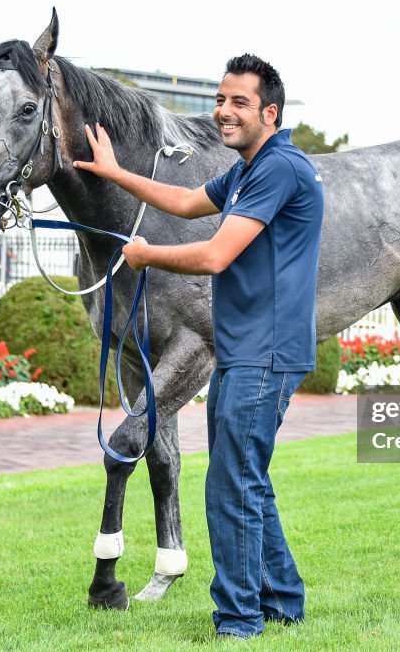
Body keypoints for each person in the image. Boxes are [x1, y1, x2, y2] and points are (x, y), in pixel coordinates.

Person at [74, 54, 324, 640]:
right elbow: (185, 202)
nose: (223, 111)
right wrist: (114, 172)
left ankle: (238, 619)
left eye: (238, 102)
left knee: (230, 484)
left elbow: (214, 254)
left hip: (264, 353)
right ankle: (283, 600)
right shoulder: (247, 170)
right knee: (247, 477)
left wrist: (144, 254)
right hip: (246, 350)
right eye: (220, 99)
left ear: (271, 111)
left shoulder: (278, 169)